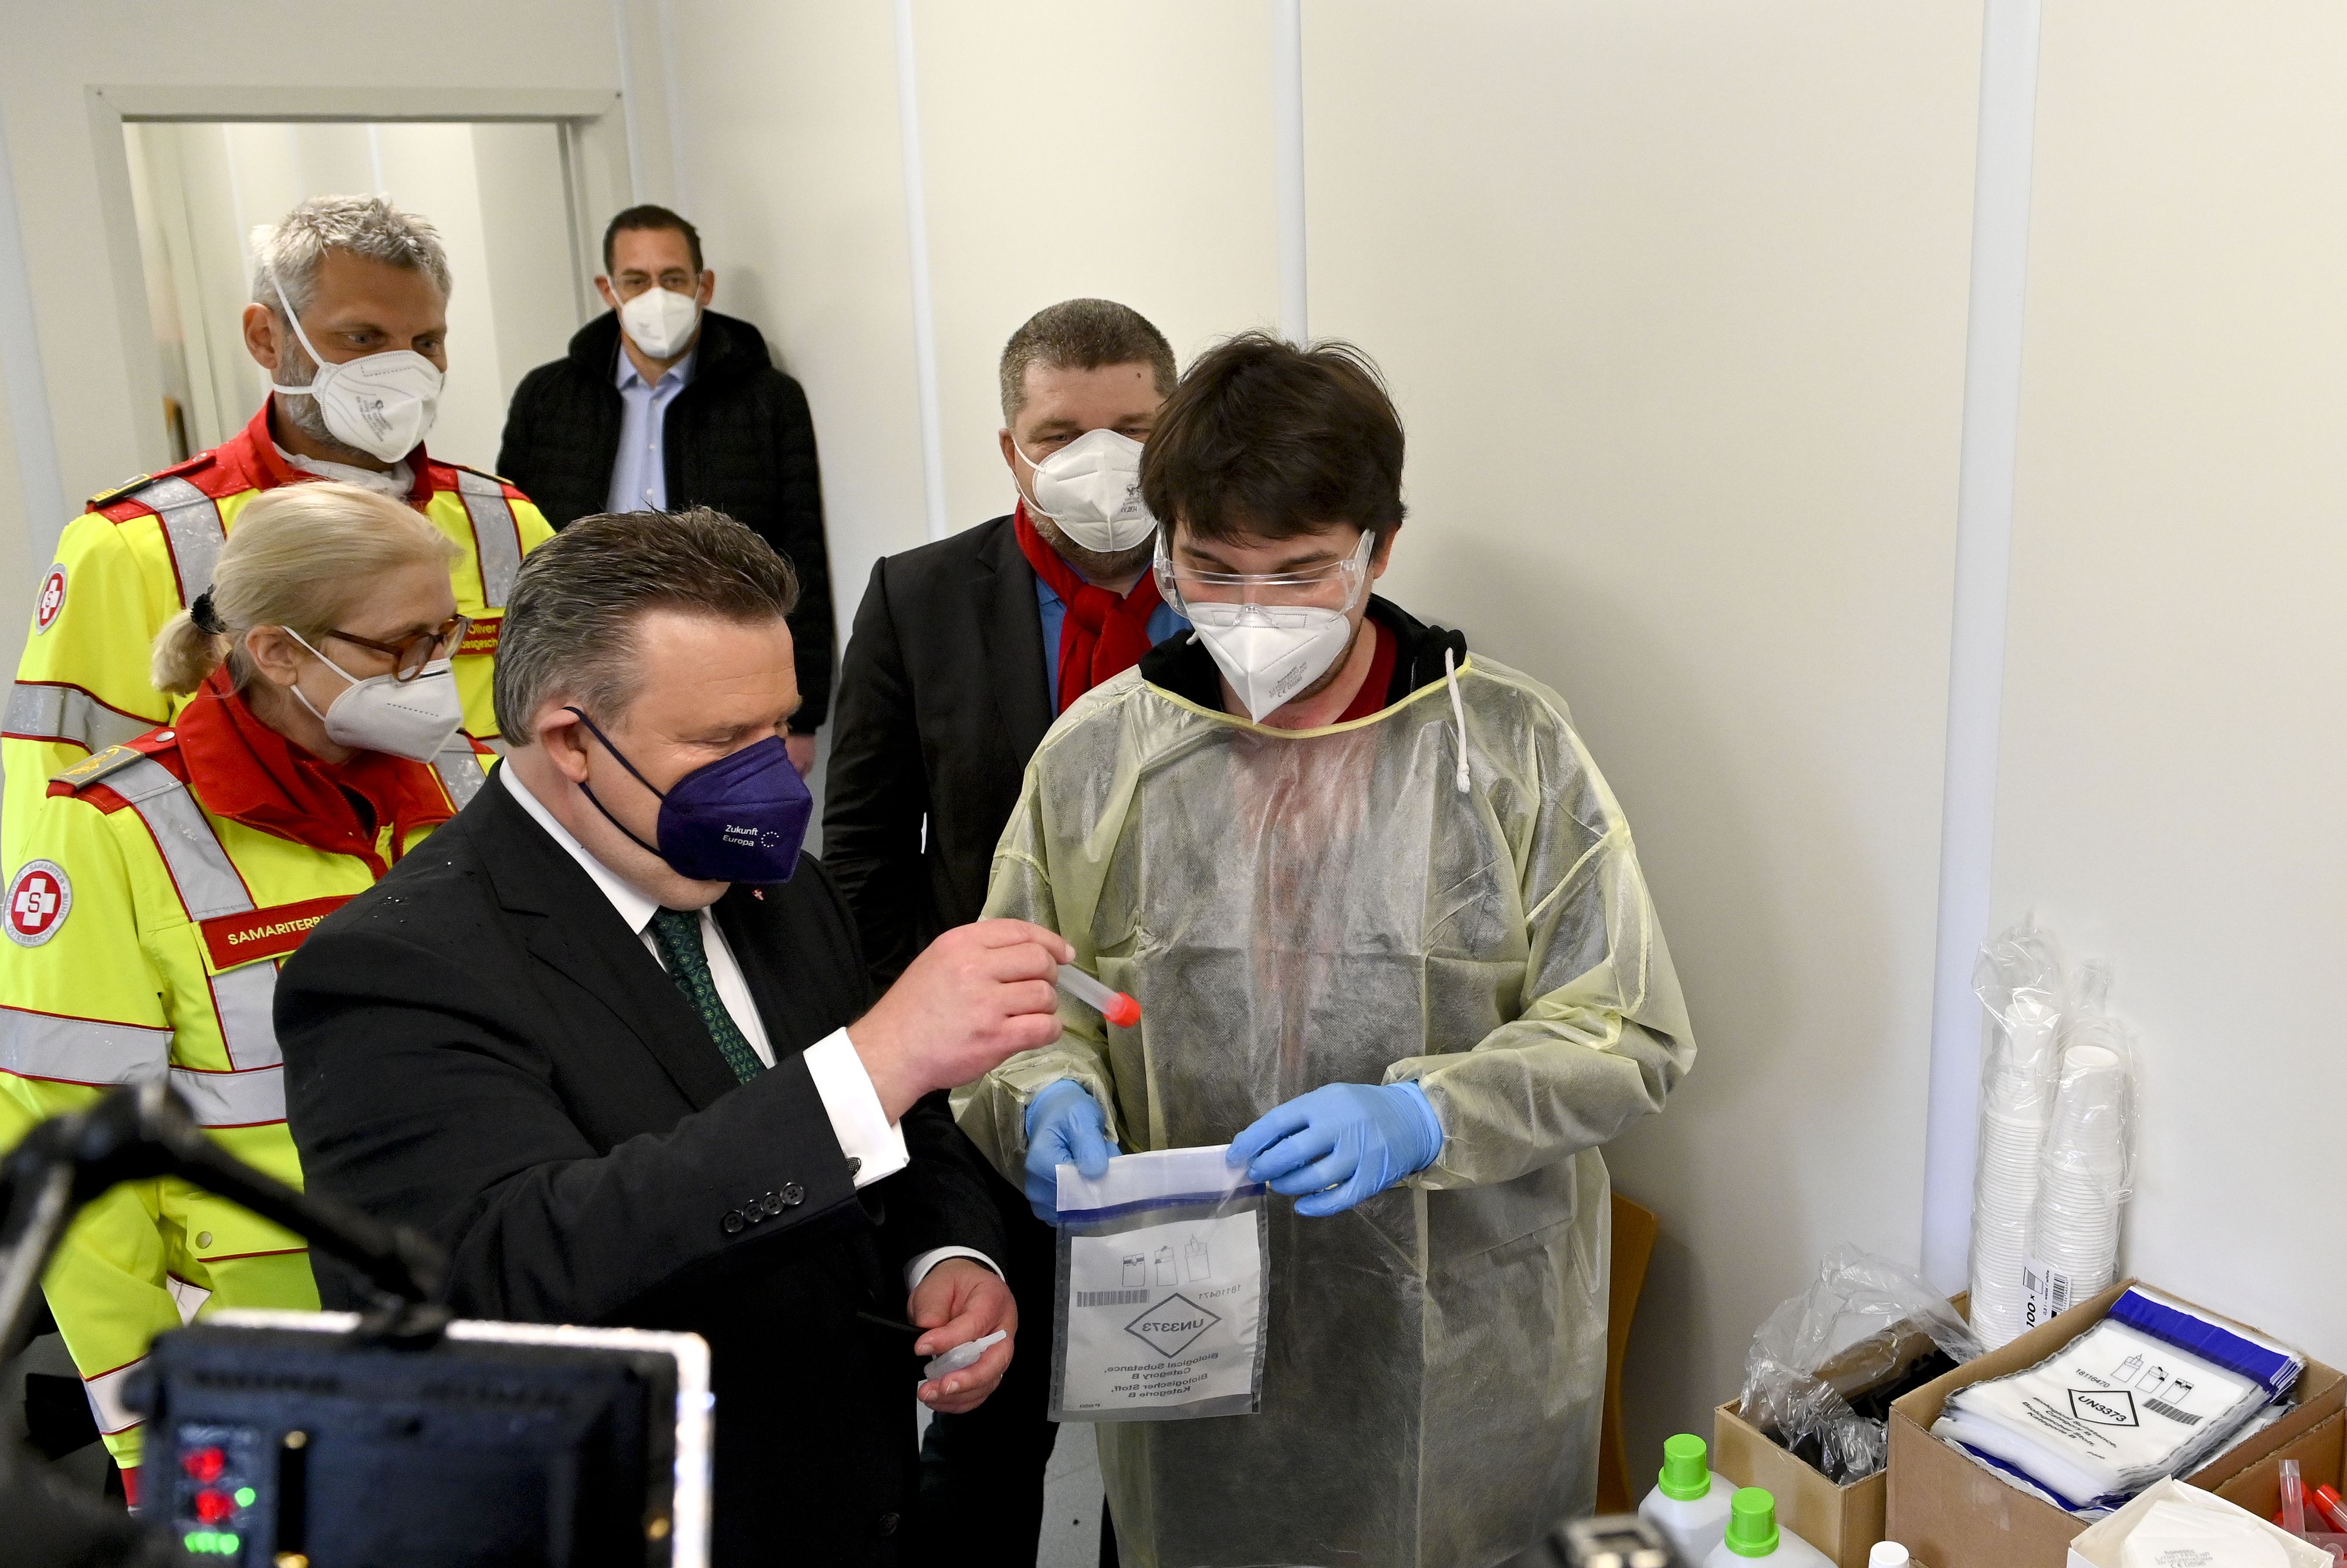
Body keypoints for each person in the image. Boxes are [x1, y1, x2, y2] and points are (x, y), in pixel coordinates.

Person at [955, 334, 1699, 1568]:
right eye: (1213, 568)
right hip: (1184, 1336)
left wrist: (1428, 1115)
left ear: (1379, 548)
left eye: (1300, 573)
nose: (1254, 615)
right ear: (1164, 546)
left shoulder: (1506, 748)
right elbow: (1024, 999)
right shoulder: (1100, 755)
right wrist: (1045, 1098)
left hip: (1462, 1354)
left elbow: (1628, 1031)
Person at [275, 507, 1073, 1566]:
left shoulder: (782, 891)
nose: (774, 781)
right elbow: (498, 1274)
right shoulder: (395, 964)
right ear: (572, 740)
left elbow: (901, 1119)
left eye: (779, 728)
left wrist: (948, 1249)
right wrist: (871, 1062)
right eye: (720, 742)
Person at [0, 482, 493, 1501]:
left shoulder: (468, 785)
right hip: (271, 1354)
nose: (436, 673)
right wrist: (151, 1433)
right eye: (402, 645)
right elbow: (75, 1157)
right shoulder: (113, 831)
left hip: (487, 1307)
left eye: (446, 635)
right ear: (278, 651)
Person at [822, 297, 1184, 1560]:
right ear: (1009, 448)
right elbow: (863, 856)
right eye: (1062, 433)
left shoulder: (1240, 593)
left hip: (1190, 1076)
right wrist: (929, 1053)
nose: (1103, 460)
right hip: (992, 1072)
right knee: (990, 1420)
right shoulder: (920, 596)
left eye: (1135, 428)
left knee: (1177, 1401)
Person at [5, 195, 549, 858]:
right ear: (266, 337)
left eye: (426, 342)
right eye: (363, 338)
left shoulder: (506, 524)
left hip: (484, 888)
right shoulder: (139, 542)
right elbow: (55, 793)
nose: (403, 369)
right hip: (239, 899)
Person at [496, 205, 834, 773]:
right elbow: (510, 549)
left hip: (720, 677)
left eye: (673, 278)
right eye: (636, 280)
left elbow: (802, 554)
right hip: (584, 668)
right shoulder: (548, 397)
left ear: (705, 286)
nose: (656, 295)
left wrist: (802, 718)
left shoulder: (767, 399)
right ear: (608, 289)